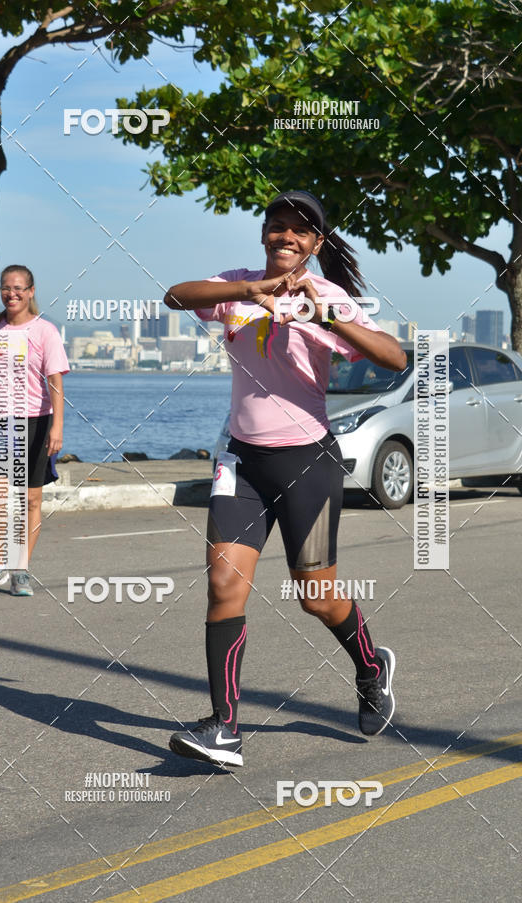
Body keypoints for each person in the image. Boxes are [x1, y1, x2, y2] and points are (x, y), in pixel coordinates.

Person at [165, 190, 408, 767]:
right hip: (241, 462)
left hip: (307, 465)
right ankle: (225, 728)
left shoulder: (330, 297)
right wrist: (247, 292)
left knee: (316, 597)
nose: (285, 238)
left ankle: (372, 667)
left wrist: (324, 315)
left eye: (300, 232)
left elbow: (395, 357)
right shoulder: (237, 287)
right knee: (224, 587)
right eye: (276, 227)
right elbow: (176, 295)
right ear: (264, 235)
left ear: (316, 244)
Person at [0, 264, 69, 596]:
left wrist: (57, 426)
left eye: (19, 288)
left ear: (31, 291)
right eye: (6, 288)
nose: (12, 294)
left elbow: (55, 383)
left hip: (36, 421)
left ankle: (21, 569)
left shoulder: (45, 331)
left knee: (31, 499)